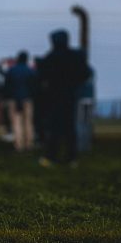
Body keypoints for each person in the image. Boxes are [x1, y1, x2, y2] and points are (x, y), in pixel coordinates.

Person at [37, 30, 91, 167]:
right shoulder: (75, 57)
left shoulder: (50, 57)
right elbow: (86, 74)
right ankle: (71, 158)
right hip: (70, 96)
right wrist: (74, 84)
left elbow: (41, 77)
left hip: (53, 97)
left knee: (54, 128)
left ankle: (51, 157)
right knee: (69, 128)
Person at [3, 51, 37, 152]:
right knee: (28, 122)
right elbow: (34, 86)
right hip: (28, 99)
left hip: (14, 99)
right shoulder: (31, 71)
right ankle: (29, 144)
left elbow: (7, 86)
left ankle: (19, 145)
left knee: (16, 122)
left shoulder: (11, 70)